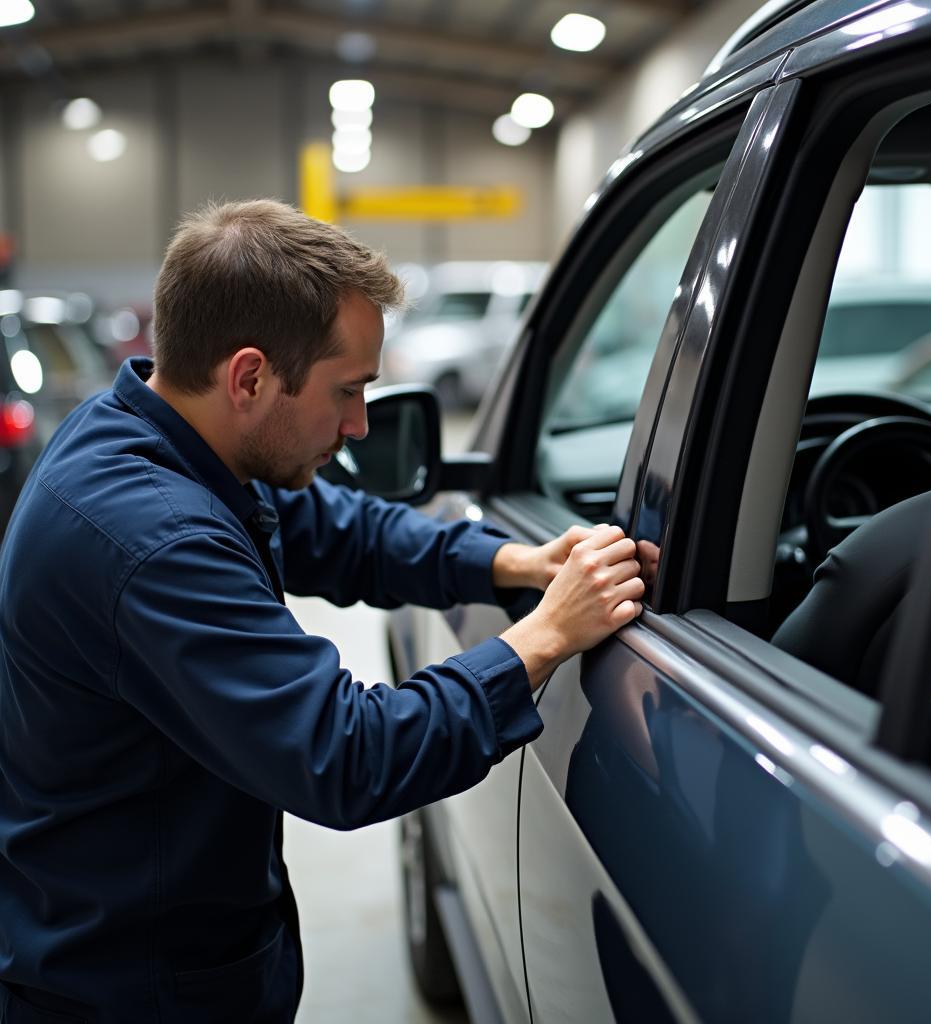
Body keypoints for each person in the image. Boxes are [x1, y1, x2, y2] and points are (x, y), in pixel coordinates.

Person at [0, 200, 645, 1023]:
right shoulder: (150, 539)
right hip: (129, 990)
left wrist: (511, 561)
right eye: (348, 391)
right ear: (249, 377)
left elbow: (336, 527)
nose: (357, 426)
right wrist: (545, 636)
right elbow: (348, 755)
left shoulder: (163, 438)